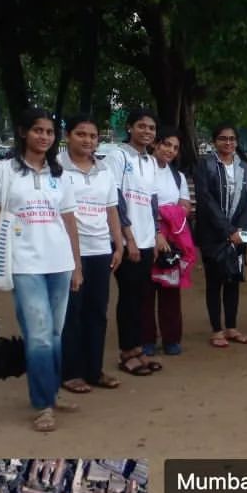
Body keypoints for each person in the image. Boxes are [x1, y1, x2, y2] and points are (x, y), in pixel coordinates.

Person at [0, 108, 84, 432]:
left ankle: (51, 392)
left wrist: (77, 265)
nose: (44, 136)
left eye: (50, 132)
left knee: (54, 334)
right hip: (24, 264)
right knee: (39, 335)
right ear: (23, 132)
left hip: (60, 263)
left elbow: (69, 222)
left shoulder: (60, 175)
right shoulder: (3, 171)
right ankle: (43, 405)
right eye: (38, 130)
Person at [59, 114, 124, 394]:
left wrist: (118, 244)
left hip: (100, 250)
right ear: (68, 135)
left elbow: (111, 209)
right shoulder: (56, 168)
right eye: (81, 134)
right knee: (71, 312)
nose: (87, 140)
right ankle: (71, 373)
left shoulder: (104, 170)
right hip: (67, 251)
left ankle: (94, 370)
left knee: (97, 311)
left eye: (93, 136)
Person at [106, 107, 162, 376]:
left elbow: (152, 201)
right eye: (141, 126)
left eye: (151, 128)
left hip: (147, 239)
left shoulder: (150, 161)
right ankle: (127, 353)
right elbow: (115, 199)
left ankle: (139, 349)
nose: (147, 132)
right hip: (128, 240)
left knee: (142, 296)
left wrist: (156, 234)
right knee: (128, 296)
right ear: (129, 127)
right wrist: (128, 239)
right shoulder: (117, 157)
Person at [193, 123, 247, 348]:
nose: (228, 143)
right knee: (214, 281)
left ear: (236, 142)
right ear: (215, 141)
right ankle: (216, 330)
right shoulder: (206, 165)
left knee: (234, 279)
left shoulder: (245, 167)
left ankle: (231, 327)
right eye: (223, 138)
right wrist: (228, 231)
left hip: (240, 233)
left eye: (232, 139)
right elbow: (206, 200)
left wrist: (241, 232)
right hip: (213, 233)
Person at [142, 129, 192, 357]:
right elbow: (141, 204)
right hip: (146, 235)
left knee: (170, 289)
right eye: (166, 144)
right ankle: (146, 339)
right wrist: (158, 226)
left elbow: (185, 207)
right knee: (146, 290)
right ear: (155, 144)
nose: (170, 150)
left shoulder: (177, 176)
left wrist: (164, 215)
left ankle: (171, 338)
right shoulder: (143, 171)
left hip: (172, 238)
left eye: (175, 147)